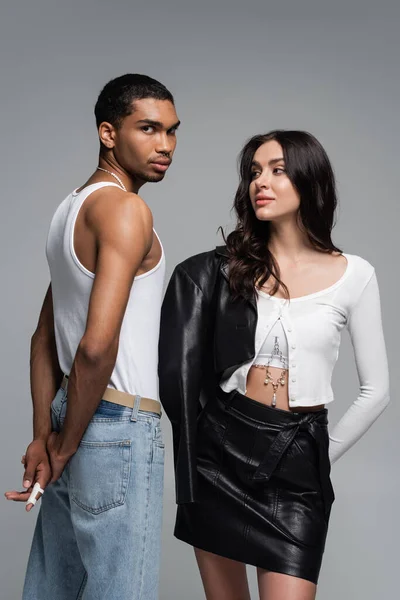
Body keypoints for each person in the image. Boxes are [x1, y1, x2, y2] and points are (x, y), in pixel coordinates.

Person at [158, 130, 390, 600]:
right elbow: (185, 367)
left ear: (309, 180)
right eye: (254, 172)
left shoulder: (355, 275)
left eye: (277, 170)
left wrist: (321, 458)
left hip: (297, 459)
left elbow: (377, 390)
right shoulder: (225, 270)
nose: (260, 182)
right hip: (220, 452)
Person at [5, 73, 180, 600]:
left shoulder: (70, 210)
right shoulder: (126, 210)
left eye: (172, 132)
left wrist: (47, 434)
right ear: (108, 133)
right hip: (117, 429)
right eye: (148, 129)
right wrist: (66, 444)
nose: (165, 145)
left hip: (72, 418)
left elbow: (41, 337)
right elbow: (97, 345)